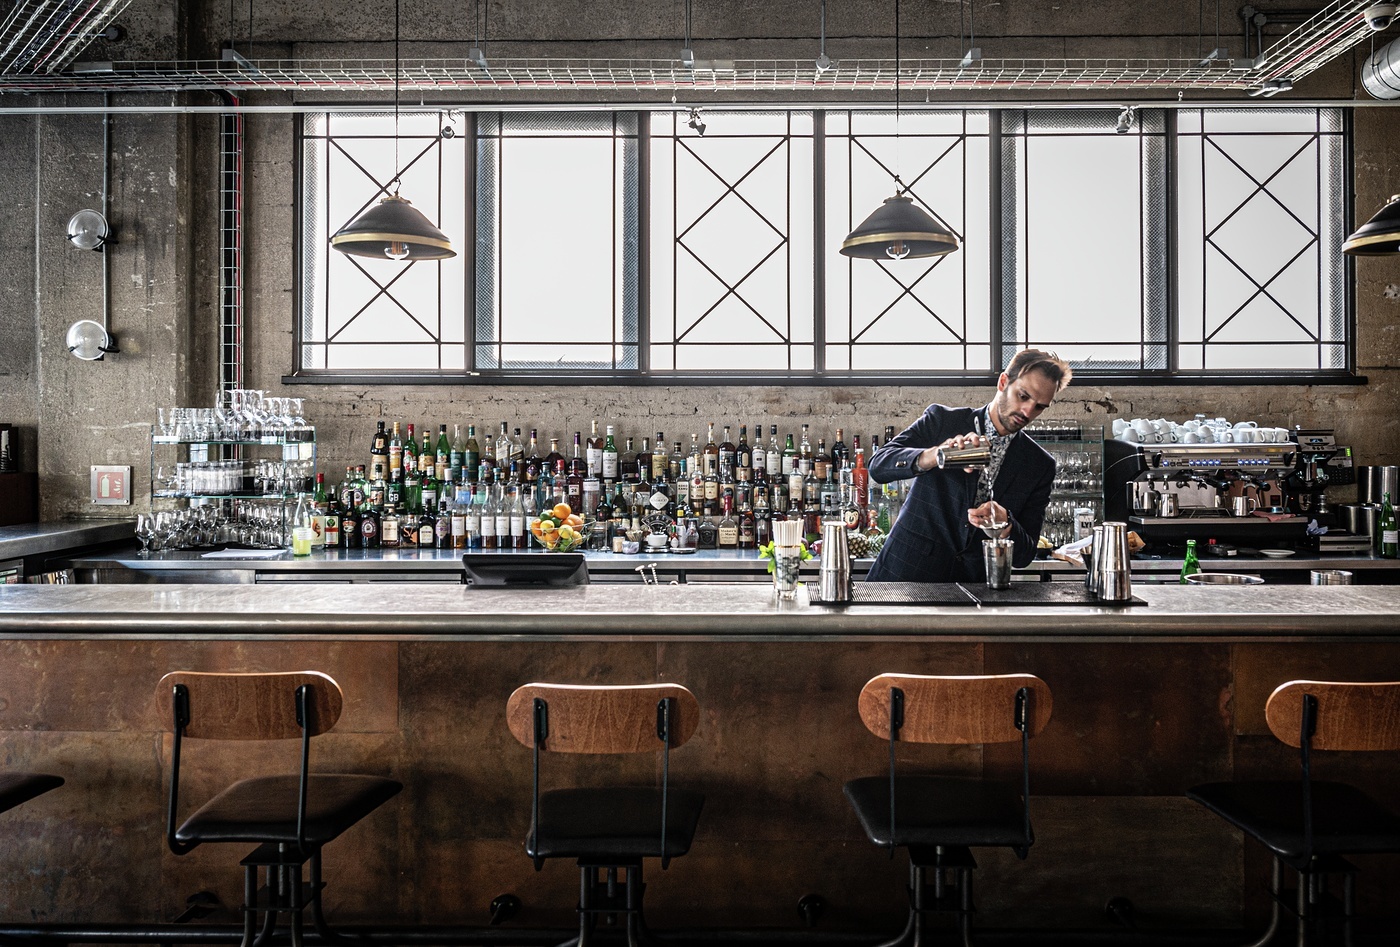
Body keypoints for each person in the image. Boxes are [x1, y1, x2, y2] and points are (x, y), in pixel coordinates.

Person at [865, 349, 1072, 583]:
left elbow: (1025, 555)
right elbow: (878, 466)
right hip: (906, 575)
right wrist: (935, 455)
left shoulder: (1039, 464)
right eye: (1023, 396)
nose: (1027, 412)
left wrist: (1006, 523)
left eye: (1039, 407)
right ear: (1003, 382)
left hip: (971, 592)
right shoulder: (943, 421)